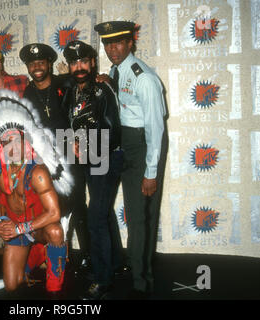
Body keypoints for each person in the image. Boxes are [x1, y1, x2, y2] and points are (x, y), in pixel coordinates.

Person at [0, 90, 74, 297]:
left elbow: (54, 213)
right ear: (0, 148)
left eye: (17, 141)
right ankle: (37, 253)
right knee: (12, 285)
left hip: (38, 225)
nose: (13, 147)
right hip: (16, 226)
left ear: (26, 143)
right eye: (7, 143)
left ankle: (54, 284)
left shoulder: (38, 172)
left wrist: (20, 228)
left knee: (55, 232)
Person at [95, 21, 167, 299]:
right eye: (107, 44)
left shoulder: (144, 78)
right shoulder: (117, 71)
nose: (112, 49)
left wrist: (151, 172)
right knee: (122, 210)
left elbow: (156, 129)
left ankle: (141, 282)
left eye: (118, 43)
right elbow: (121, 101)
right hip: (121, 141)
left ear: (130, 44)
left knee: (139, 217)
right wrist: (107, 83)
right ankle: (135, 262)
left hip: (142, 144)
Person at [61, 40, 124, 300]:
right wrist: (71, 144)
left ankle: (103, 279)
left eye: (84, 61)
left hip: (106, 157)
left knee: (96, 218)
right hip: (88, 159)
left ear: (93, 62)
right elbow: (66, 123)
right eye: (74, 62)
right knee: (103, 212)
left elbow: (112, 129)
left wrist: (83, 146)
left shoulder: (103, 89)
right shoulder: (70, 91)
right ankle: (116, 263)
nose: (79, 67)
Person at [19, 43, 90, 270]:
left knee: (78, 204)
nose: (37, 67)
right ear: (28, 68)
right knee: (51, 206)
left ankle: (88, 254)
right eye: (32, 64)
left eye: (41, 62)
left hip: (71, 155)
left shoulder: (66, 83)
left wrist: (102, 79)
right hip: (45, 158)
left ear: (49, 64)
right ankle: (57, 252)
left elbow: (87, 105)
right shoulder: (27, 94)